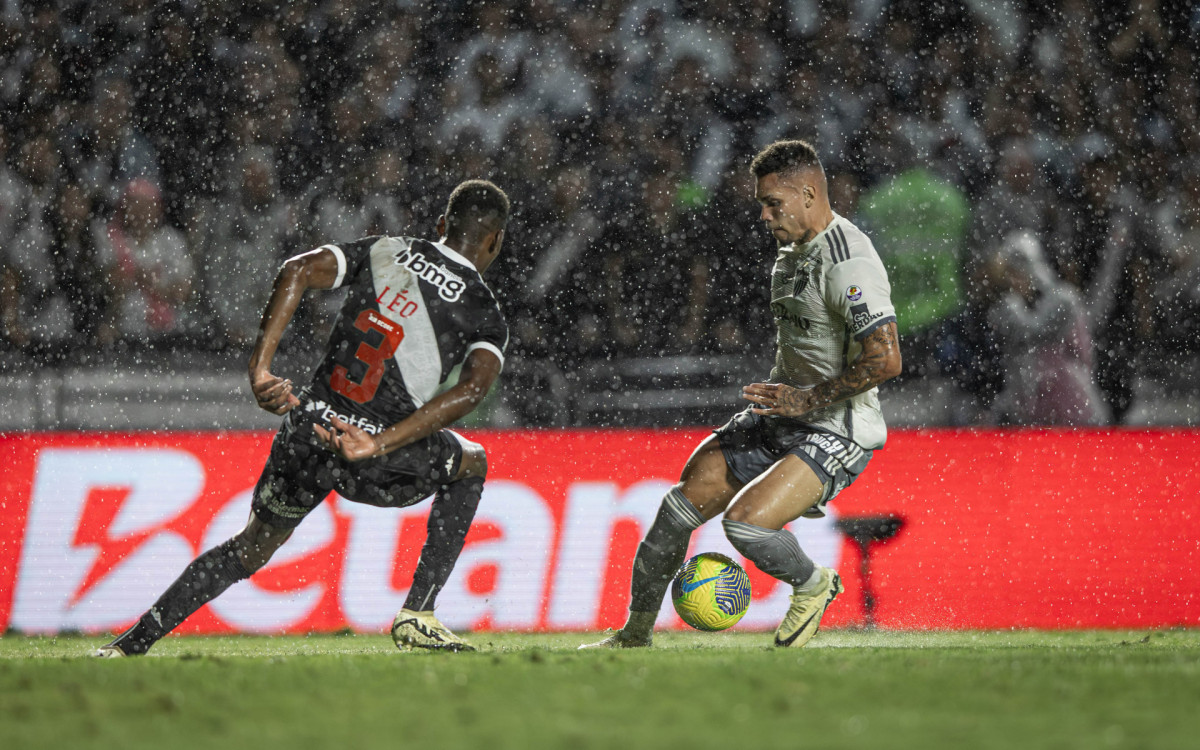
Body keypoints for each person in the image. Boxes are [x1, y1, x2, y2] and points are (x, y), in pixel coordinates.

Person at [94, 179, 511, 656]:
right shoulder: (483, 308)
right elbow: (474, 389)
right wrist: (379, 442)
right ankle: (419, 612)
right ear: (493, 241)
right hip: (372, 457)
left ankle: (130, 645)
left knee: (250, 547)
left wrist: (261, 369)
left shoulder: (385, 249)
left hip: (307, 427)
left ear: (442, 225)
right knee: (471, 461)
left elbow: (297, 270)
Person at [581, 140, 901, 650]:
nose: (764, 214)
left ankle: (814, 582)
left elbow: (886, 359)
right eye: (761, 203)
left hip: (838, 427)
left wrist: (807, 399)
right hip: (783, 416)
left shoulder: (850, 262)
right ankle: (634, 634)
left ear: (810, 194)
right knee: (674, 513)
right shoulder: (791, 255)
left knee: (746, 528)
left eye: (774, 203)